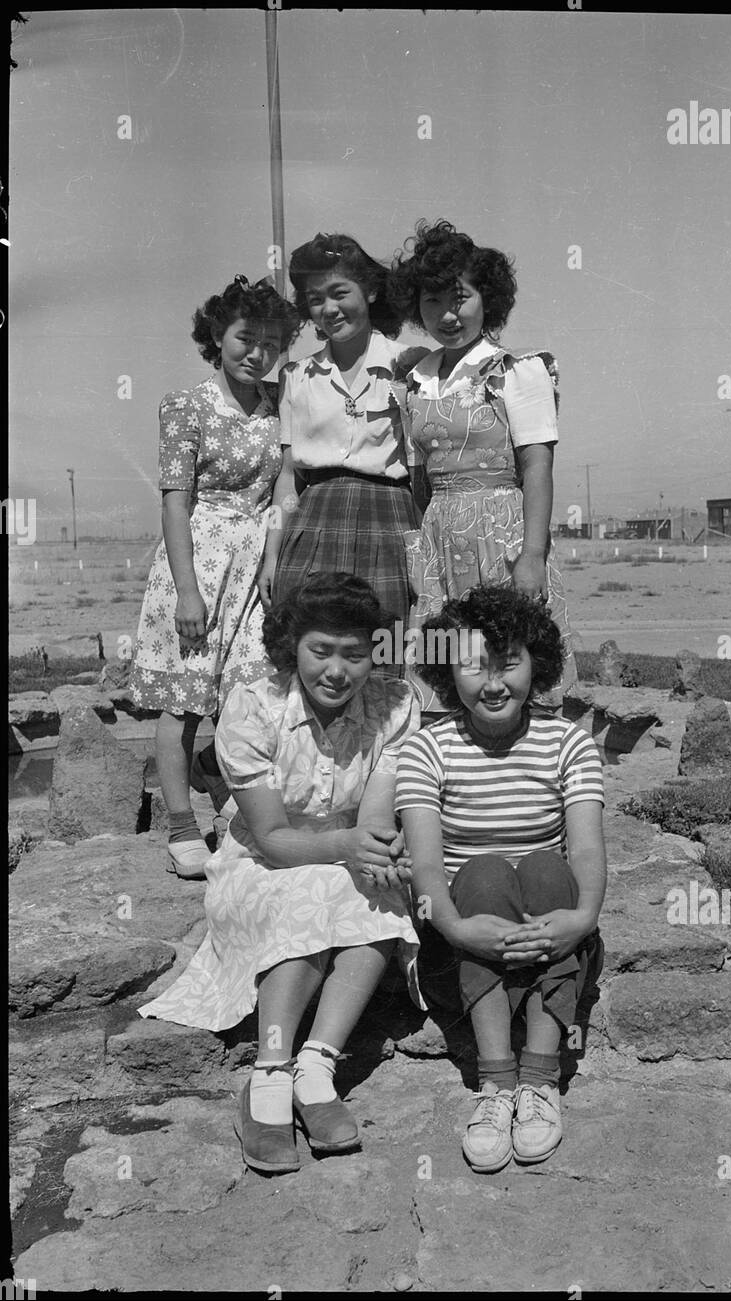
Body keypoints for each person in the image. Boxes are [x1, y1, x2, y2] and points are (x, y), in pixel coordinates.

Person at [139, 573, 424, 1175]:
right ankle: (268, 1071)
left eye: (355, 654)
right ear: (293, 645)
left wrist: (372, 850)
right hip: (259, 863)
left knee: (372, 890)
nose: (337, 671)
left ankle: (315, 1066)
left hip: (344, 854)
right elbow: (270, 837)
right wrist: (353, 846)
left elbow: (373, 816)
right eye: (321, 651)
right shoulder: (252, 704)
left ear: (376, 652)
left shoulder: (396, 706)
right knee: (312, 885)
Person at [396, 586, 606, 1174]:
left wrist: (583, 917)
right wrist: (460, 930)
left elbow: (586, 847)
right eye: (474, 666)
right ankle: (497, 1084)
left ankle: (540, 1080)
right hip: (465, 921)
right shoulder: (425, 750)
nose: (493, 684)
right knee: (484, 870)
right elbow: (429, 869)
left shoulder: (568, 742)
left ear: (536, 663)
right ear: (446, 673)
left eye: (508, 662)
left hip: (548, 913)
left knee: (543, 864)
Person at [128, 276, 300, 878]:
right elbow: (175, 503)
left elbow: (284, 485)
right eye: (245, 339)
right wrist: (187, 590)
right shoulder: (186, 406)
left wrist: (274, 553)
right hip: (197, 561)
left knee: (252, 693)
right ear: (217, 338)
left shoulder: (281, 403)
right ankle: (181, 828)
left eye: (271, 343)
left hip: (255, 565)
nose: (257, 354)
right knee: (184, 702)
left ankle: (218, 778)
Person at [226, 233, 428, 692]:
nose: (329, 309)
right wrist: (273, 553)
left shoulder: (410, 365)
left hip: (388, 522)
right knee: (310, 654)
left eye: (340, 294)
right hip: (313, 524)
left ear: (370, 292)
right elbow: (287, 479)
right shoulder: (296, 376)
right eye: (315, 300)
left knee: (382, 652)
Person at [389, 219, 578, 709]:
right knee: (449, 662)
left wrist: (531, 555)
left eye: (460, 298)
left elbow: (537, 467)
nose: (447, 315)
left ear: (486, 299)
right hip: (439, 535)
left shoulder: (517, 370)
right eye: (432, 302)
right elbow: (419, 477)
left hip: (504, 533)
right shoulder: (416, 379)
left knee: (509, 659)